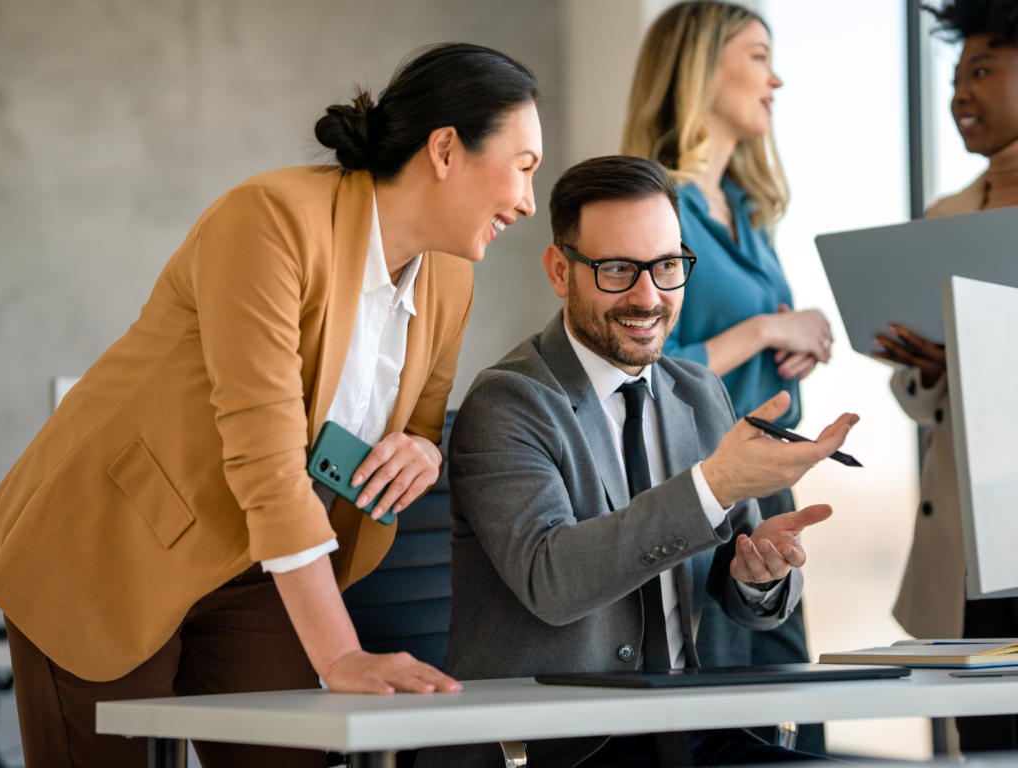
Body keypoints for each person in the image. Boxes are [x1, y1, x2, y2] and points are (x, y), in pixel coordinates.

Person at [0, 43, 543, 768]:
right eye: (524, 166)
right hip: (111, 541)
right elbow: (267, 459)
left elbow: (418, 420)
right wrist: (341, 653)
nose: (529, 202)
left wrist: (426, 449)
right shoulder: (271, 219)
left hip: (260, 563)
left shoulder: (449, 280)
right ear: (445, 149)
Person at [414, 156, 858, 768]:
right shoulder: (509, 402)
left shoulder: (699, 393)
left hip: (689, 735)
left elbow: (736, 586)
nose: (648, 297)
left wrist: (762, 576)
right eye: (618, 269)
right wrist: (714, 484)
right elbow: (555, 580)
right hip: (554, 751)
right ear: (559, 270)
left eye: (667, 266)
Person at [621, 2, 831, 751]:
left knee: (786, 695)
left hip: (770, 476)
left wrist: (798, 342)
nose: (775, 78)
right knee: (728, 716)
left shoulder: (748, 210)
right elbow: (641, 364)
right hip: (700, 481)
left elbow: (746, 341)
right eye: (756, 57)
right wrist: (769, 328)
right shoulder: (658, 210)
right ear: (700, 67)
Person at [873, 0, 1018, 753]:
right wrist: (931, 370)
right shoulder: (943, 218)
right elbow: (916, 397)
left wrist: (977, 355)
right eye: (956, 77)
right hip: (976, 560)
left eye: (983, 72)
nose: (961, 94)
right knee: (987, 744)